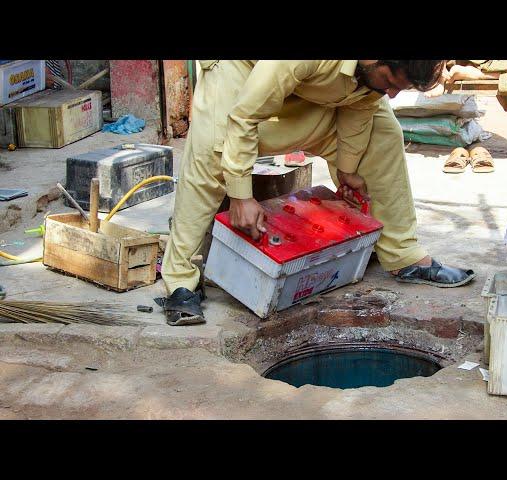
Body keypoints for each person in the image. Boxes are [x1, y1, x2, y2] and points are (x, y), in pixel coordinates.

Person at [160, 60, 476, 326]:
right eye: (391, 81)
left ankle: (401, 253)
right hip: (243, 76)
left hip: (312, 86)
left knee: (383, 129)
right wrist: (241, 195)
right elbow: (245, 117)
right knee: (213, 152)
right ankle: (180, 280)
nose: (392, 93)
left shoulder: (371, 76)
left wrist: (349, 169)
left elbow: (360, 103)